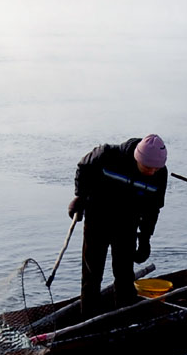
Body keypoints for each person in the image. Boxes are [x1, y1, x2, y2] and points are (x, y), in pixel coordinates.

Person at [68, 134, 168, 318]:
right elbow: (83, 167)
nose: (152, 172)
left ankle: (125, 313)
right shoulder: (107, 155)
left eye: (156, 168)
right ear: (137, 158)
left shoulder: (159, 174)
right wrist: (80, 197)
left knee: (124, 274)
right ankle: (88, 316)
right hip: (97, 218)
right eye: (148, 167)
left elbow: (152, 209)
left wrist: (145, 239)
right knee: (92, 273)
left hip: (127, 222)